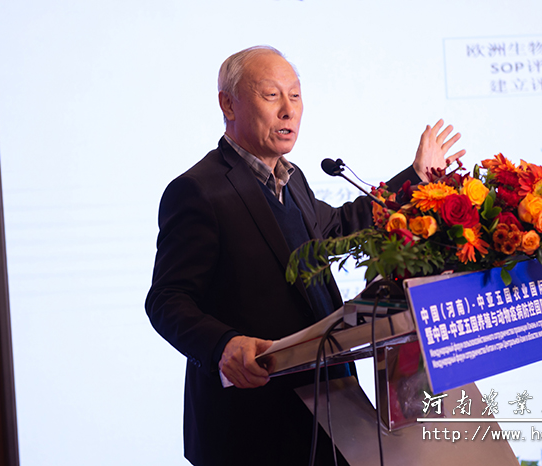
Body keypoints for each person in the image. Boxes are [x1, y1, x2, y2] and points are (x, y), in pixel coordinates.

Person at [145, 45, 465, 466]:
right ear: (228, 104)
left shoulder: (291, 181)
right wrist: (223, 344)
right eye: (271, 95)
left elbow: (339, 227)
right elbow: (167, 299)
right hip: (251, 424)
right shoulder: (198, 190)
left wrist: (416, 178)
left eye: (295, 96)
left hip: (327, 410)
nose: (288, 110)